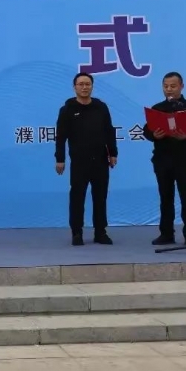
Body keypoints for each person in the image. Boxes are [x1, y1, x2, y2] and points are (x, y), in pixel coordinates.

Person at [143, 71, 186, 246]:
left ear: (181, 86)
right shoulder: (157, 108)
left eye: (173, 86)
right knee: (165, 198)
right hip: (162, 160)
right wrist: (154, 135)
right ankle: (166, 234)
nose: (169, 89)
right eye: (165, 86)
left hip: (185, 160)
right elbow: (147, 131)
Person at [54, 72, 117, 246]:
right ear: (74, 87)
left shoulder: (101, 107)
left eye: (87, 84)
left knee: (100, 197)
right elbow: (61, 137)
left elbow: (109, 131)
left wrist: (113, 153)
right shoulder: (67, 110)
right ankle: (77, 232)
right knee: (77, 197)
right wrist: (60, 159)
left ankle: (100, 232)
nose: (84, 87)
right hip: (79, 161)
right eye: (81, 84)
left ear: (92, 86)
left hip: (101, 160)